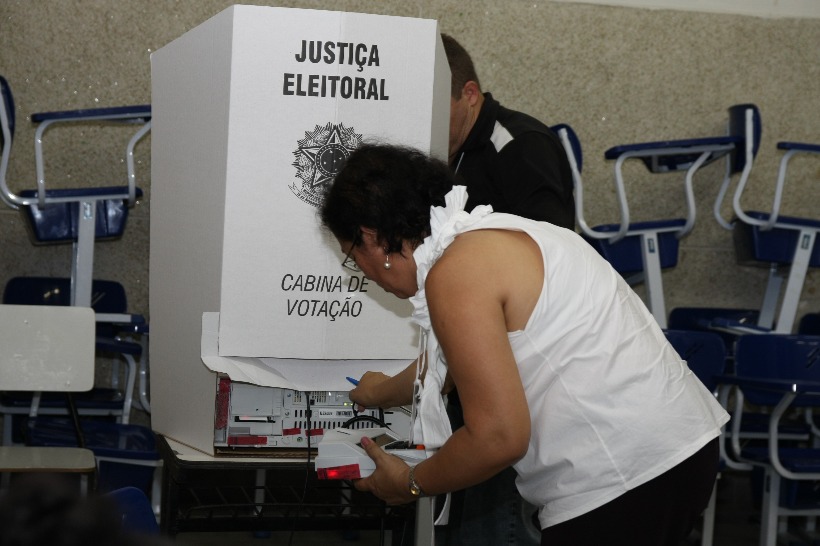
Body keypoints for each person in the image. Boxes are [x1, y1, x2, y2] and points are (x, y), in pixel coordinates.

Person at [320, 143, 729, 546]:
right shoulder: (498, 235)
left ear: (371, 237)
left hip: (619, 477)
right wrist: (379, 393)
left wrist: (409, 483)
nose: (364, 274)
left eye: (353, 257)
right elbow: (454, 365)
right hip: (680, 449)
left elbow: (498, 437)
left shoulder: (456, 274)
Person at [441, 33, 576, 544]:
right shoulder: (450, 152)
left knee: (494, 506)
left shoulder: (518, 145)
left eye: (441, 108)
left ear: (470, 94)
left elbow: (554, 250)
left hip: (521, 355)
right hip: (476, 343)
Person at [443, 33, 575, 229]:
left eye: (432, 107)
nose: (424, 120)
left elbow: (548, 246)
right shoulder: (447, 144)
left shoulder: (523, 147)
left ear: (469, 94)